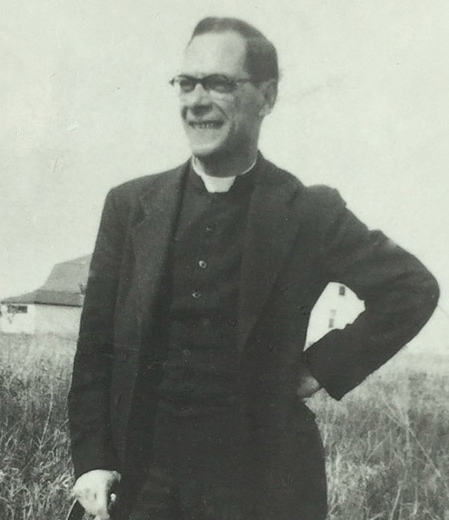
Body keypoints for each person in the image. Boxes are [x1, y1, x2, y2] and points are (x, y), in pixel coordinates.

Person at [68, 17, 439, 520]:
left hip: (263, 488)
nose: (195, 100)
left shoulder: (309, 211)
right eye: (186, 82)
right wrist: (93, 461)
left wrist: (318, 368)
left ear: (266, 97)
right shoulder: (130, 206)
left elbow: (411, 289)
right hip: (143, 482)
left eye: (219, 83)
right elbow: (96, 347)